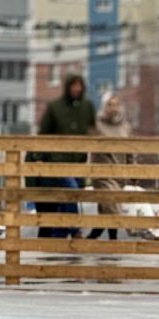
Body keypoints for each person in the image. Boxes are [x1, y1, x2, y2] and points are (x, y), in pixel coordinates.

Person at [30, 74, 96, 239]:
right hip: (56, 160)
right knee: (70, 189)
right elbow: (43, 134)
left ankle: (59, 235)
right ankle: (74, 229)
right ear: (68, 87)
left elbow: (94, 131)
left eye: (79, 86)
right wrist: (38, 156)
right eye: (73, 86)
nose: (76, 89)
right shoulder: (55, 107)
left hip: (78, 161)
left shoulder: (87, 107)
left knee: (65, 200)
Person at [87, 91, 132, 241]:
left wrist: (134, 170)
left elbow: (130, 150)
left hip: (119, 173)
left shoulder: (125, 127)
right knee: (111, 203)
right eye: (110, 105)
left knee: (106, 207)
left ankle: (94, 234)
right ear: (104, 106)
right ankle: (113, 240)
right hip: (102, 172)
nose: (113, 108)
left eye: (116, 104)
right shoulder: (97, 125)